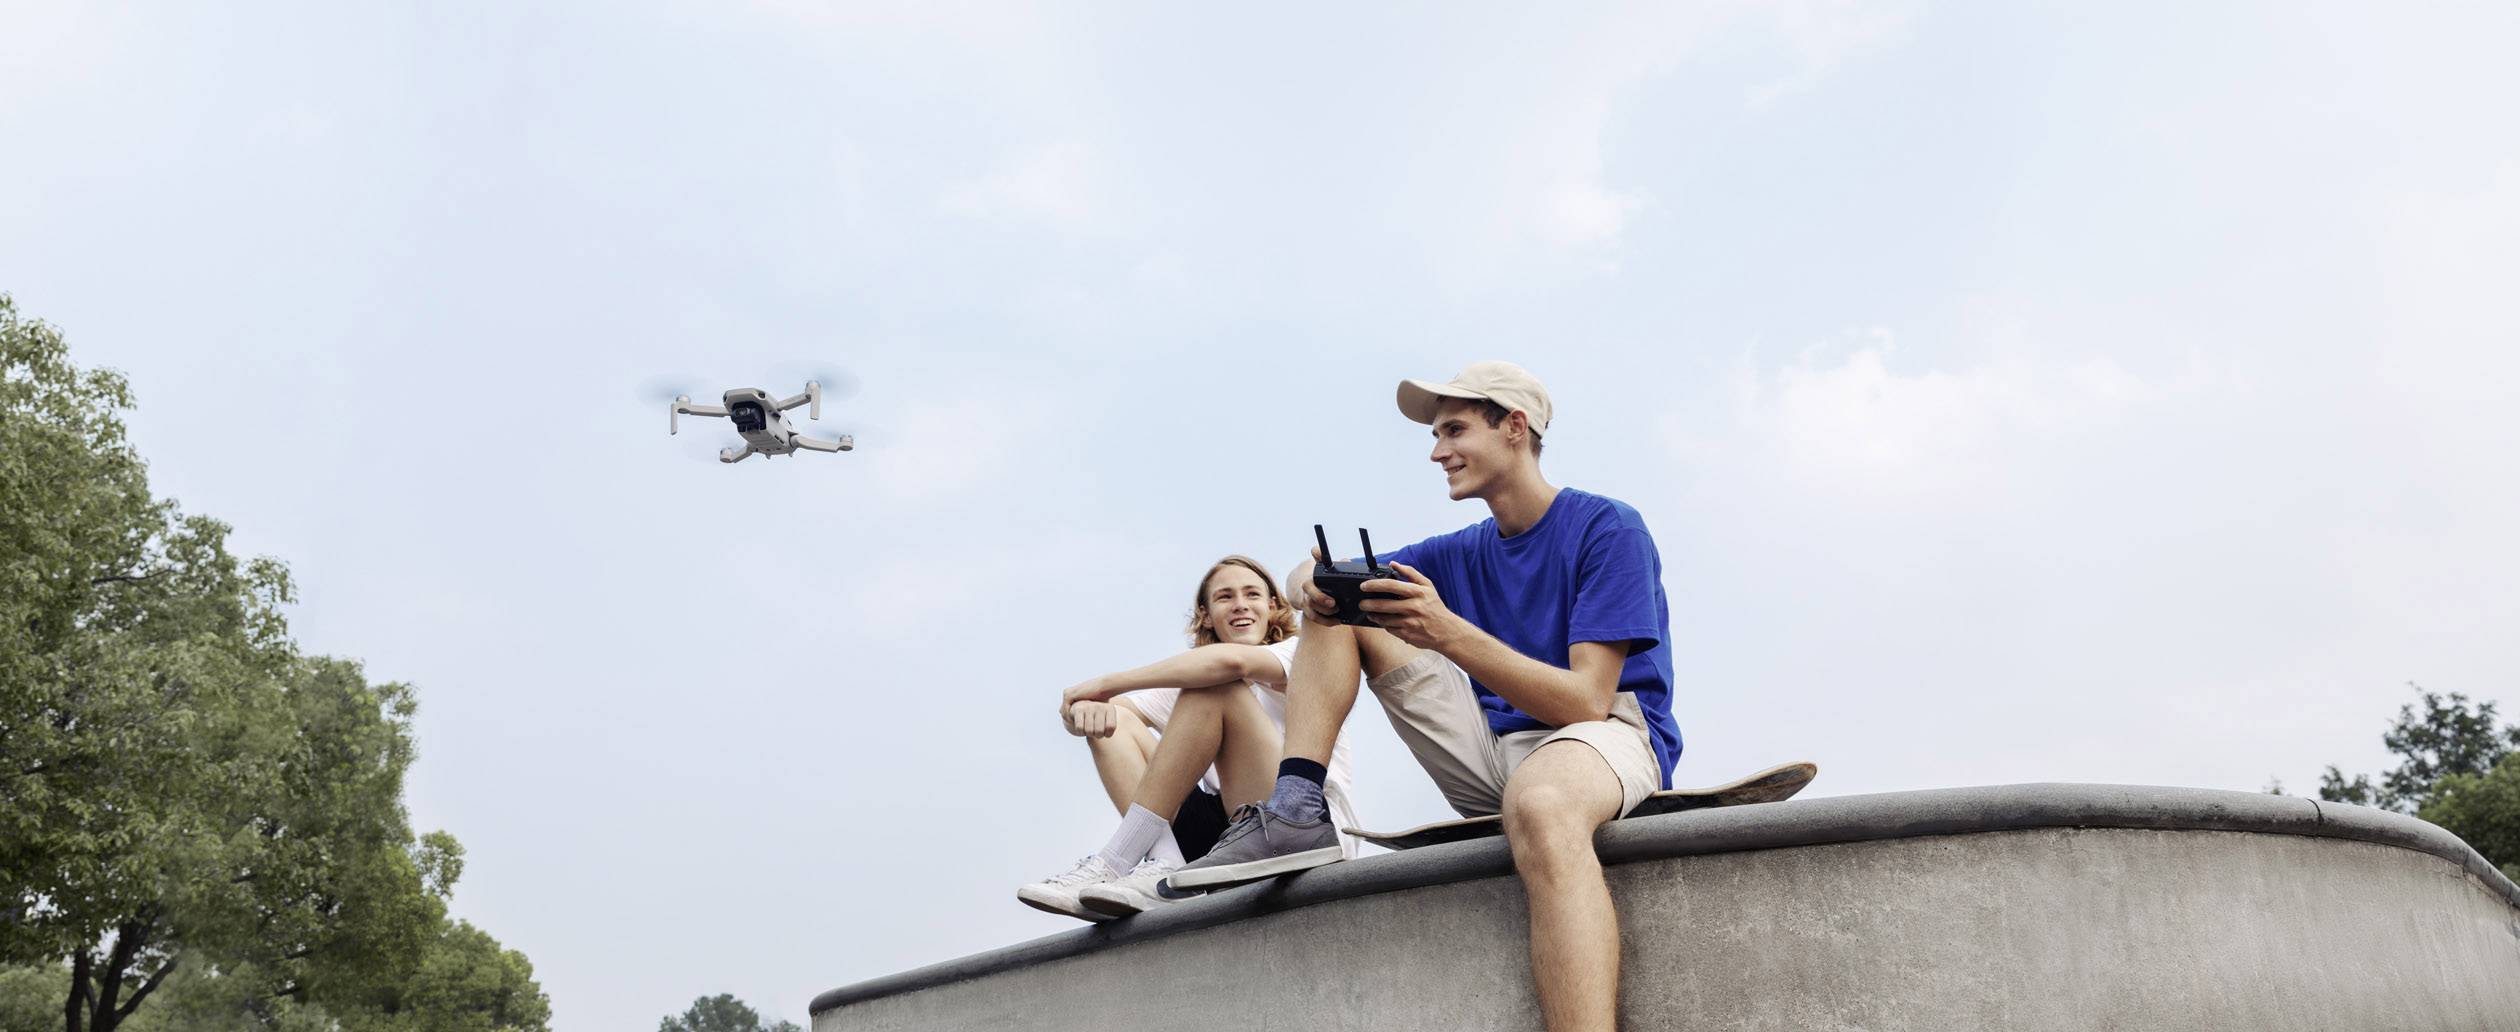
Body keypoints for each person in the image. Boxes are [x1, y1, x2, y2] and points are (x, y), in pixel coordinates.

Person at [1167, 362, 1680, 1032]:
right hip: (1498, 754)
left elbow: (1585, 701)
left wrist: (1446, 631)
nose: (1437, 451)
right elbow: (1310, 574)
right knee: (1342, 607)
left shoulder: (1606, 528)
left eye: (1454, 430)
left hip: (1604, 739)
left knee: (1543, 801)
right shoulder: (1463, 549)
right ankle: (1295, 810)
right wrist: (1311, 586)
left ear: (1515, 428)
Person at [1017, 555, 1362, 920]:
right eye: (1225, 597)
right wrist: (1080, 713)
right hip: (1225, 836)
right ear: (1206, 613)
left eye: (1252, 594)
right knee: (1116, 721)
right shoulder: (1194, 688)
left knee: (1217, 686)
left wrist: (1106, 683)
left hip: (1297, 826)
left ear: (1272, 605)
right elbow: (1110, 715)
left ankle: (1115, 858)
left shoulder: (1302, 652)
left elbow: (1231, 664)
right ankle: (1163, 863)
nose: (1240, 605)